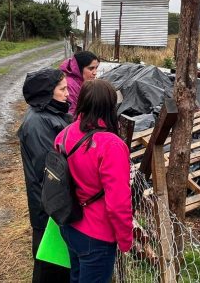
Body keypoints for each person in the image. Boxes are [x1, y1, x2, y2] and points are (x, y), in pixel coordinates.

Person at [55, 79, 133, 283]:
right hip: (97, 234)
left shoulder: (65, 134)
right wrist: (126, 240)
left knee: (76, 276)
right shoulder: (112, 146)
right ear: (110, 107)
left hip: (70, 224)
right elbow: (118, 204)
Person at [17, 69, 72, 282]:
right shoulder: (38, 123)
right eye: (62, 89)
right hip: (48, 206)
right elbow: (50, 171)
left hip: (52, 204)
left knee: (53, 259)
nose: (68, 94)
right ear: (46, 93)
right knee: (49, 264)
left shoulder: (50, 114)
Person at [59, 51, 100, 115]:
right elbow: (72, 112)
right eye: (91, 68)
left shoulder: (82, 81)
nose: (95, 73)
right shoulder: (70, 84)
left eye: (96, 68)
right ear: (79, 68)